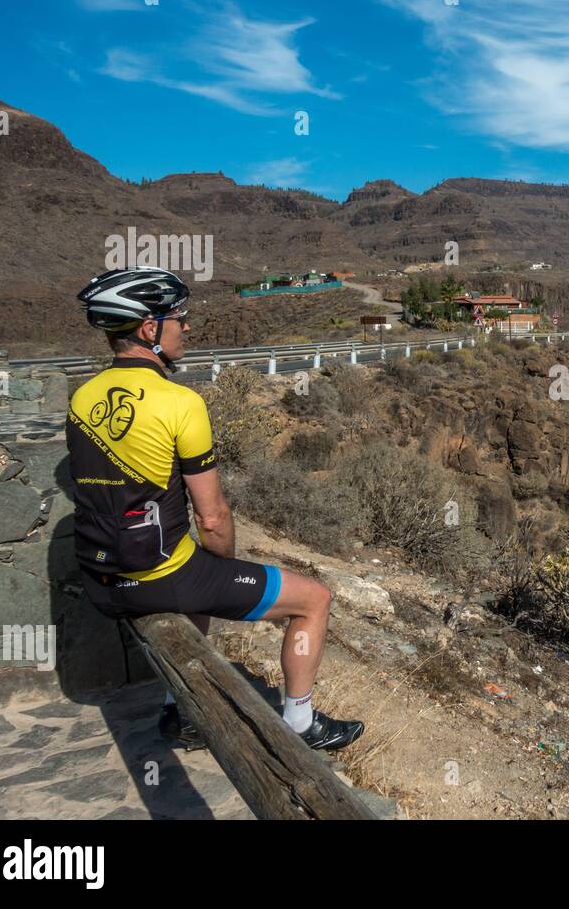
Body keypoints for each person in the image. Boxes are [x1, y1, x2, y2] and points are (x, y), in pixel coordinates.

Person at [67, 266, 363, 752]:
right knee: (314, 599)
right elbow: (213, 517)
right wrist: (223, 567)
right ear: (149, 329)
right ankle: (301, 724)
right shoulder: (180, 402)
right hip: (155, 579)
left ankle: (178, 709)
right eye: (178, 318)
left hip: (100, 581)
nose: (187, 327)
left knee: (198, 578)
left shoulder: (82, 398)